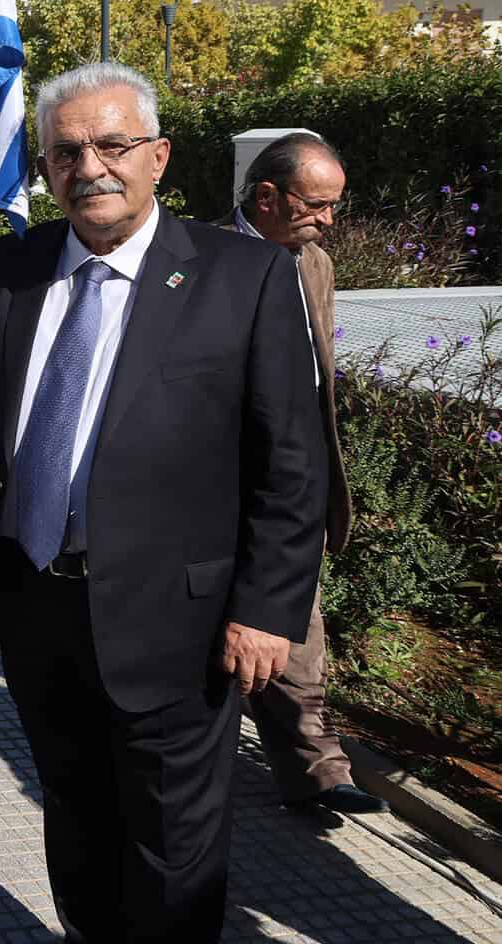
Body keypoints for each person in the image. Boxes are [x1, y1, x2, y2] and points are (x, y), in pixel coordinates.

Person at [0, 62, 326, 943]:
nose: (91, 168)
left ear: (157, 156)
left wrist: (266, 611)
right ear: (45, 168)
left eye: (113, 145)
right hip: (36, 607)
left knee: (172, 845)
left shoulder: (243, 276)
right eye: (66, 152)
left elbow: (290, 462)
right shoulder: (4, 270)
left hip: (179, 623)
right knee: (74, 812)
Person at [226, 132, 386, 816]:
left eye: (333, 205)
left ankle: (318, 771)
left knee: (296, 619)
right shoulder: (205, 259)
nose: (328, 220)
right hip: (210, 482)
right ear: (267, 197)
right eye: (316, 205)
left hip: (288, 482)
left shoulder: (314, 263)